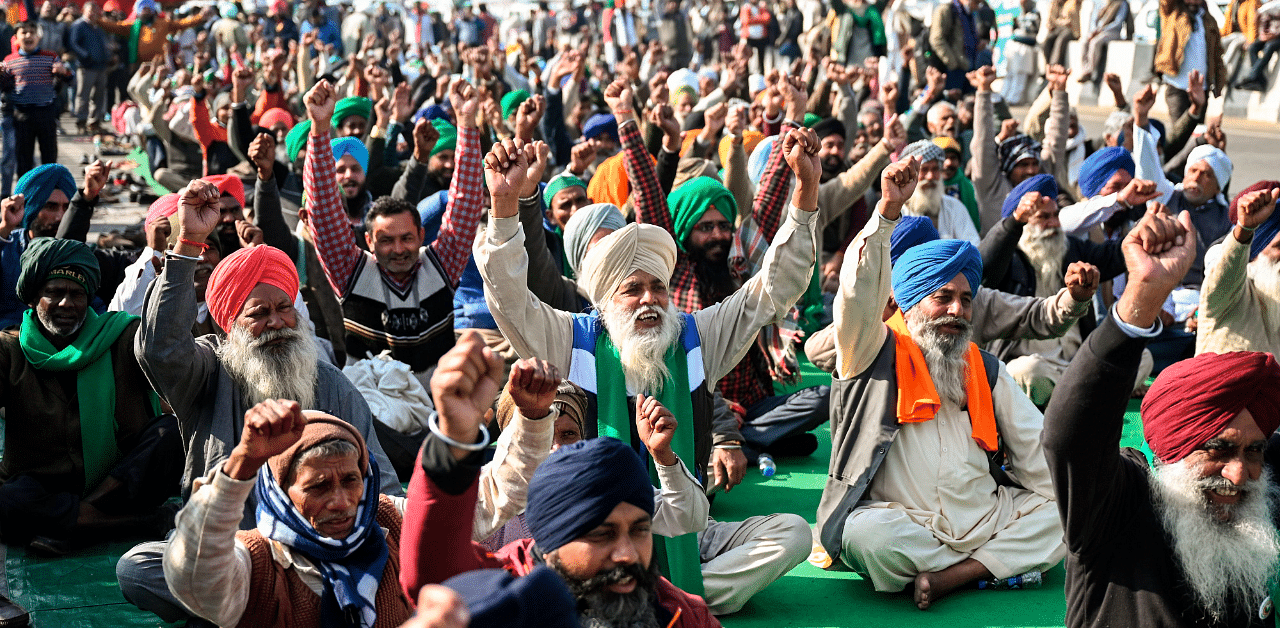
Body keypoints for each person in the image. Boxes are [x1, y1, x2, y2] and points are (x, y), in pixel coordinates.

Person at [477, 117, 821, 500]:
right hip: (599, 532)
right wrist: (504, 204)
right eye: (633, 289)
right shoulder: (572, 341)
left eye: (658, 287)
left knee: (785, 533)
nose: (649, 299)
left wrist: (805, 191)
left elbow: (772, 290)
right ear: (606, 301)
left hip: (686, 522)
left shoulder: (696, 336)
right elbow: (509, 300)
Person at [820, 157, 1065, 610]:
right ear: (909, 304)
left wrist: (1062, 497)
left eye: (966, 300)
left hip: (985, 516)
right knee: (865, 537)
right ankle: (990, 566)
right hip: (906, 525)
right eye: (943, 298)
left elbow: (1038, 452)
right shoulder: (871, 353)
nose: (957, 311)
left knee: (1064, 511)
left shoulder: (984, 368)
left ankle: (957, 575)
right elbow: (854, 298)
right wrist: (887, 213)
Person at [1042, 202, 1280, 627]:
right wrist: (1144, 296)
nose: (1240, 473)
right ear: (1176, 447)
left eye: (1254, 451)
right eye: (1219, 449)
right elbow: (1072, 435)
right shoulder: (1118, 511)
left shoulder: (1252, 513)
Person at [399, 334, 722, 628]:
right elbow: (434, 563)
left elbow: (688, 516)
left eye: (639, 530)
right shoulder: (502, 597)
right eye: (600, 535)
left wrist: (664, 456)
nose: (627, 554)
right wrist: (455, 439)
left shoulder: (680, 613)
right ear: (550, 540)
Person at [487, 373, 811, 616]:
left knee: (794, 531)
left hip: (640, 590)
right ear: (510, 440)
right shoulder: (487, 500)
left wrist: (663, 456)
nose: (556, 448)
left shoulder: (603, 479)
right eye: (539, 434)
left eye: (568, 434)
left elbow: (689, 519)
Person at [0, 237, 181, 553]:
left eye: (77, 294)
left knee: (174, 432)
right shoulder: (9, 350)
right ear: (32, 299)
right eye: (54, 293)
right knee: (9, 500)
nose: (66, 304)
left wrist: (175, 281)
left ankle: (78, 519)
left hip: (122, 481)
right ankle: (135, 523)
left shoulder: (122, 334)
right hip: (43, 488)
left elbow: (170, 353)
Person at [163, 402, 414, 627]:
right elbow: (195, 578)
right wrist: (242, 462)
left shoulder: (385, 518)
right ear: (281, 493)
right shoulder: (256, 561)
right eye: (318, 486)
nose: (341, 502)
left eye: (351, 481)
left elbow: (442, 510)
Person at [303, 79, 483, 373]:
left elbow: (466, 202)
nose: (398, 249)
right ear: (369, 242)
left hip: (438, 406)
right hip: (370, 408)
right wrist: (319, 129)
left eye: (407, 238)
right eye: (386, 240)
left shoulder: (441, 265)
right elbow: (323, 207)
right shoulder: (351, 271)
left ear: (423, 236)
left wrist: (465, 122)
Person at [803, 214, 1097, 375]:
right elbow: (816, 351)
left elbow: (1038, 315)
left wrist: (1074, 298)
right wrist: (879, 313)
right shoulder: (877, 314)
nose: (956, 310)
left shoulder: (971, 301)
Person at [979, 173, 1156, 404]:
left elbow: (1112, 256)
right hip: (1038, 368)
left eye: (1055, 216)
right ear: (1024, 223)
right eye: (1044, 217)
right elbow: (985, 268)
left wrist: (1144, 230)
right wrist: (1013, 223)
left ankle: (1077, 400)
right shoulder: (1008, 258)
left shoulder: (1068, 249)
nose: (1053, 224)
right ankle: (1093, 399)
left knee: (1141, 356)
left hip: (1078, 364)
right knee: (1024, 371)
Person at [969, 64, 1071, 235]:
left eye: (1033, 163)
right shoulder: (992, 187)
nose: (1031, 170)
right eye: (1023, 165)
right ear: (1008, 168)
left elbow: (1056, 141)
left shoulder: (1042, 183)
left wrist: (1059, 91)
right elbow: (982, 142)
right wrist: (984, 91)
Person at [1196, 183, 1280, 355]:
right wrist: (1245, 229)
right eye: (1279, 247)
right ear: (1256, 251)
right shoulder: (1232, 291)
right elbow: (1227, 268)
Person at [0, 21, 71, 174]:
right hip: (22, 115)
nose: (28, 35)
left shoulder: (51, 56)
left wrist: (63, 71)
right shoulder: (9, 60)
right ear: (16, 38)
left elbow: (70, 79)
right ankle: (25, 194)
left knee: (49, 157)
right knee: (24, 159)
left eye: (32, 32)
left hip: (46, 112)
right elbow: (4, 87)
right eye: (23, 32)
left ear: (38, 36)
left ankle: (51, 193)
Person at [1154, 0, 1227, 120]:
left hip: (1201, 88)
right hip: (1177, 86)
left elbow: (1217, 55)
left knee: (1198, 132)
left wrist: (1219, 82)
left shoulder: (1209, 20)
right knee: (1180, 133)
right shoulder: (1173, 13)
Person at [895, 140, 979, 244]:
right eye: (924, 169)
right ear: (911, 175)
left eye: (935, 169)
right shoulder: (895, 211)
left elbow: (973, 245)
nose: (930, 177)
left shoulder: (954, 206)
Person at [69, 2, 109, 134]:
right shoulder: (79, 26)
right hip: (86, 67)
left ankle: (94, 122)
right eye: (90, 11)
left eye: (95, 11)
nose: (93, 14)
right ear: (84, 11)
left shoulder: (98, 28)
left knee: (99, 96)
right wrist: (86, 56)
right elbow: (74, 44)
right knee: (83, 95)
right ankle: (81, 122)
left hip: (101, 67)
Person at [928, 0, 983, 91]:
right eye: (976, 2)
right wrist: (953, 63)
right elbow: (937, 39)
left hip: (969, 67)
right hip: (953, 70)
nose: (978, 6)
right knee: (953, 101)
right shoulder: (946, 10)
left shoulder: (970, 14)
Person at [1076, 0, 1131, 84]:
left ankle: (1090, 71)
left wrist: (1101, 30)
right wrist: (1095, 31)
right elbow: (1096, 19)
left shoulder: (1122, 3)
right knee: (1084, 41)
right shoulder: (1106, 3)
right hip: (1100, 31)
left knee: (1095, 42)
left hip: (1113, 32)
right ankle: (1084, 70)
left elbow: (1118, 23)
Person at [1000, 0, 1041, 106]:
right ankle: (1003, 98)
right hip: (1014, 48)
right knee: (1010, 74)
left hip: (1025, 49)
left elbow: (1029, 30)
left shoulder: (1034, 14)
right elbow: (1014, 29)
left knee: (1020, 75)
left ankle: (1014, 99)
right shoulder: (1019, 13)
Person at [1043, 0, 1080, 66]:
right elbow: (1051, 20)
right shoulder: (1055, 3)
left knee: (1061, 39)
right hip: (1060, 27)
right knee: (1048, 40)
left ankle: (1055, 65)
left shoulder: (1073, 2)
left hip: (1072, 30)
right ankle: (1049, 65)